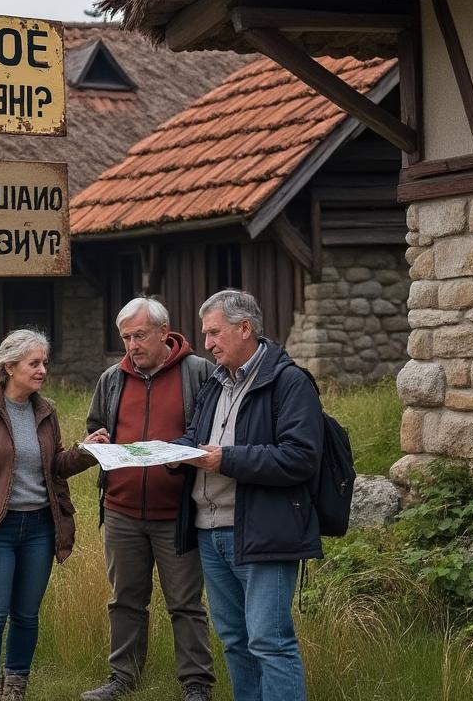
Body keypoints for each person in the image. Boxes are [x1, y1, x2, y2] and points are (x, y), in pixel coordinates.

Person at [175, 290, 324, 701]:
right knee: (235, 642)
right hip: (210, 533)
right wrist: (173, 451)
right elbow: (197, 436)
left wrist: (227, 460)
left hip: (263, 532)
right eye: (205, 334)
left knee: (269, 643)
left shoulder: (289, 382)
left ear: (245, 329)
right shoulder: (215, 384)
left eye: (214, 332)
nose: (206, 343)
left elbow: (301, 457)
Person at [0, 329, 95, 701]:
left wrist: (86, 452)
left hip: (41, 527)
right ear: (9, 367)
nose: (42, 369)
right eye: (34, 363)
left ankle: (15, 690)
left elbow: (54, 465)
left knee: (26, 615)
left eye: (44, 362)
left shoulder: (45, 410)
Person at [80, 297, 216, 701]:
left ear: (163, 331)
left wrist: (182, 456)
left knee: (185, 604)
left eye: (139, 335)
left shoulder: (199, 373)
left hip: (177, 512)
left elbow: (211, 434)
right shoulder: (112, 378)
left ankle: (196, 684)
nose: (132, 345)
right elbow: (96, 427)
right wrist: (96, 442)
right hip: (121, 511)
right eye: (125, 338)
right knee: (125, 601)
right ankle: (122, 678)